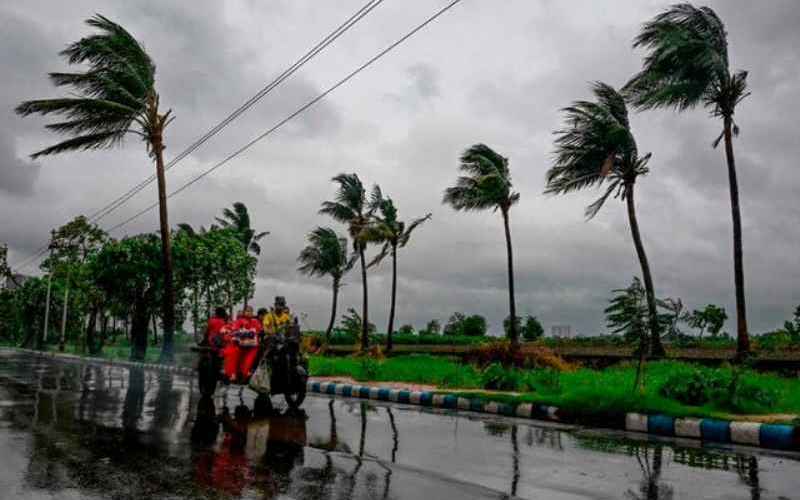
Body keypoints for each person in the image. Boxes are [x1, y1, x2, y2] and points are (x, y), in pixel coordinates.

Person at [222, 306, 262, 383]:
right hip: (239, 345)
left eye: (250, 311)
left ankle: (246, 372)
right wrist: (235, 335)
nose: (249, 313)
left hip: (251, 346)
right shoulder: (239, 321)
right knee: (233, 351)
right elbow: (232, 331)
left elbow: (260, 330)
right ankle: (232, 374)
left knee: (255, 352)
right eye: (247, 311)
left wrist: (260, 332)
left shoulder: (255, 321)